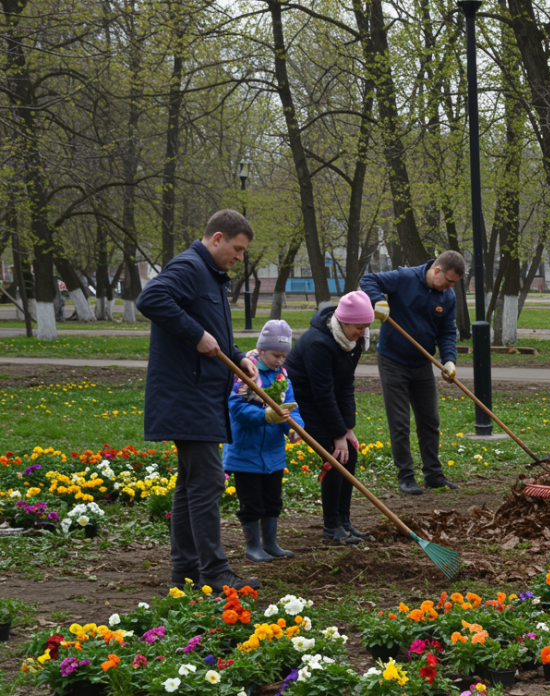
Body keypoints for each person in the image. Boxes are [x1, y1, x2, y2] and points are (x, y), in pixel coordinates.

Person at [137, 209, 264, 591]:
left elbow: (215, 334)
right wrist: (195, 335)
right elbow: (151, 298)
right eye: (238, 249)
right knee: (207, 482)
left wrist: (238, 355)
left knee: (192, 484)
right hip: (186, 396)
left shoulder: (211, 276)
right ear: (218, 237)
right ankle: (214, 571)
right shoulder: (191, 267)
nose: (240, 258)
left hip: (201, 396)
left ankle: (187, 571)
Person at [360, 250, 465, 495]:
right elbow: (368, 280)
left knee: (430, 421)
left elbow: (447, 332)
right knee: (400, 423)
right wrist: (379, 301)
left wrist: (448, 360)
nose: (450, 287)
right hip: (393, 360)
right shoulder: (404, 277)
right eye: (449, 281)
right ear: (436, 271)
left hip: (422, 364)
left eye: (455, 284)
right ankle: (406, 477)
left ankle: (434, 475)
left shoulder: (447, 297)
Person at [285, 291, 373, 546]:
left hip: (324, 400)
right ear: (343, 322)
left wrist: (348, 428)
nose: (362, 332)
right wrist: (337, 435)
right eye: (358, 327)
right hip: (303, 402)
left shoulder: (351, 342)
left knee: (350, 454)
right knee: (336, 457)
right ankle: (331, 527)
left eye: (366, 327)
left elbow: (345, 386)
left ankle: (344, 522)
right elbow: (322, 393)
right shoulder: (318, 343)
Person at [223, 320, 304, 562]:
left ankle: (270, 543)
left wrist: (295, 428)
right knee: (251, 503)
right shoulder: (246, 374)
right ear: (261, 351)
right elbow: (237, 410)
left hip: (273, 453)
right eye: (276, 355)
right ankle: (253, 547)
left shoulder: (282, 376)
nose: (280, 360)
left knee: (272, 500)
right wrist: (265, 416)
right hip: (245, 453)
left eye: (284, 356)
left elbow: (291, 407)